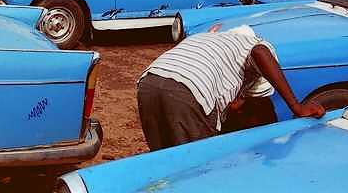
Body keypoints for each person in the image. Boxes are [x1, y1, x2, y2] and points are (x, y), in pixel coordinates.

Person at [137, 25, 325, 151]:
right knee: (195, 168)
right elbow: (260, 52)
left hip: (149, 83)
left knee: (163, 161)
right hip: (189, 91)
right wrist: (297, 107)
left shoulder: (209, 38)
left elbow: (235, 104)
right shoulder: (254, 44)